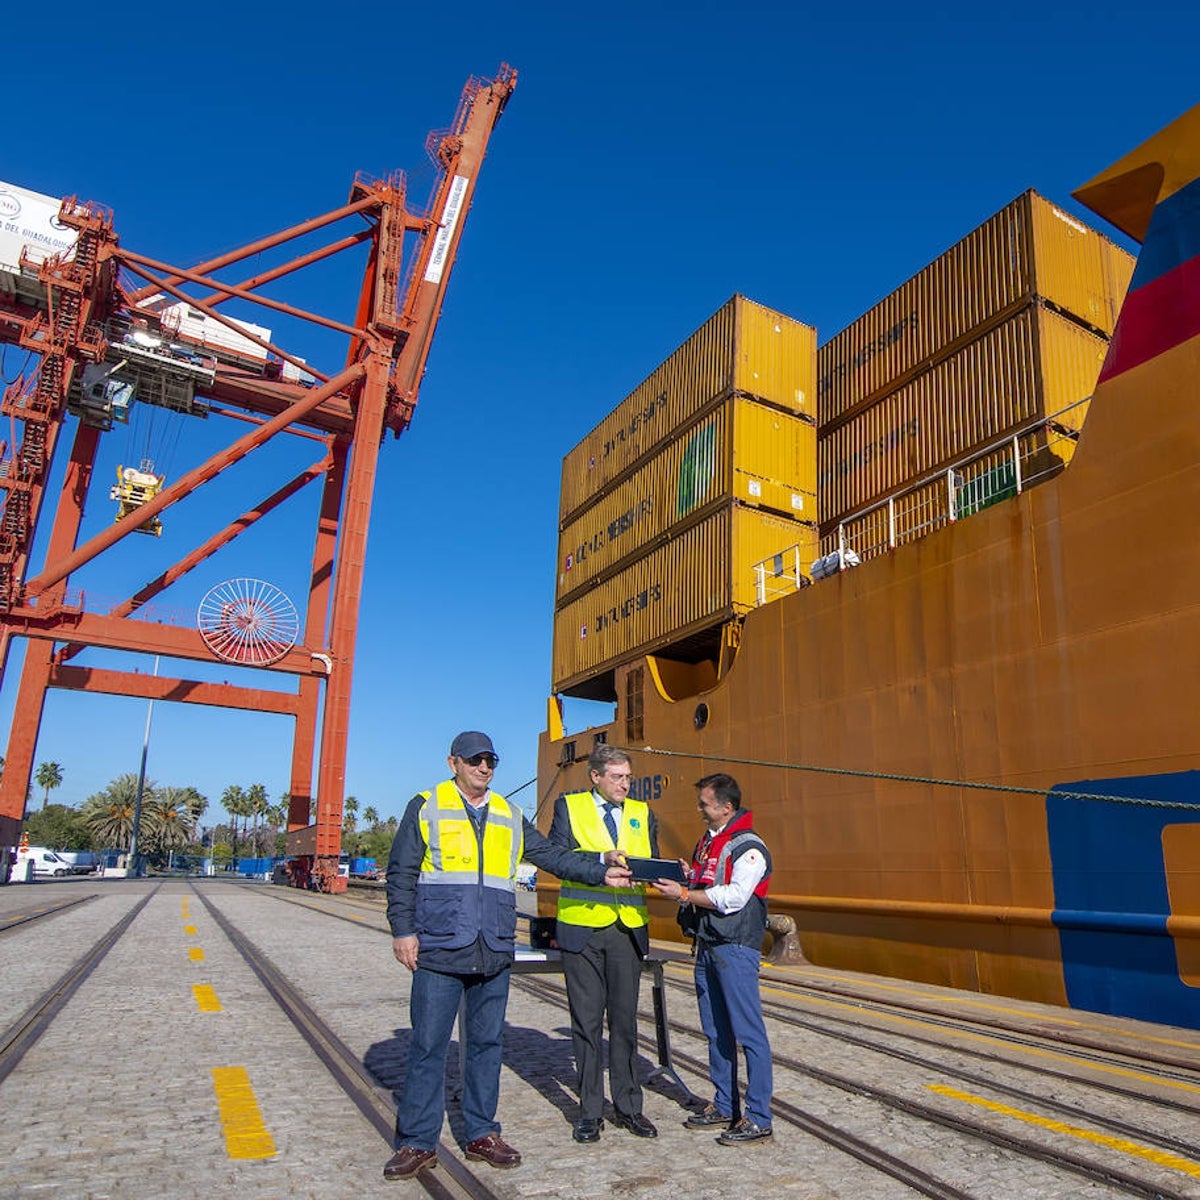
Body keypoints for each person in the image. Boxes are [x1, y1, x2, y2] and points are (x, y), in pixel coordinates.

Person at [383, 731, 631, 1182]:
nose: (484, 767)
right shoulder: (426, 804)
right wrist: (403, 930)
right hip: (440, 946)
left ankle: (481, 1133)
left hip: (494, 947)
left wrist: (600, 868)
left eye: (491, 761)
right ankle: (418, 1141)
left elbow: (554, 856)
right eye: (475, 760)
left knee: (486, 1045)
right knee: (427, 1047)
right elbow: (401, 872)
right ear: (453, 762)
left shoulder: (508, 814)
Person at [652, 772, 774, 1145]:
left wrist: (684, 896)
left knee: (748, 1032)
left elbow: (735, 898)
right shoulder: (711, 842)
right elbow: (712, 883)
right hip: (708, 944)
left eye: (704, 804)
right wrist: (690, 877)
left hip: (735, 947)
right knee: (715, 1028)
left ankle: (758, 1117)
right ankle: (724, 1104)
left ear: (725, 807)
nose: (698, 809)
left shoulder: (749, 847)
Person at [548, 745, 660, 1143]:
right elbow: (557, 858)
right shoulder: (569, 807)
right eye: (617, 777)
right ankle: (590, 1112)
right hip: (582, 927)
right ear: (595, 776)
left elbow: (650, 863)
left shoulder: (643, 814)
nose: (625, 785)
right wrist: (601, 860)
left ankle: (630, 1108)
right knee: (587, 1024)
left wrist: (662, 873)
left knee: (626, 1024)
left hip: (627, 928)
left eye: (628, 777)